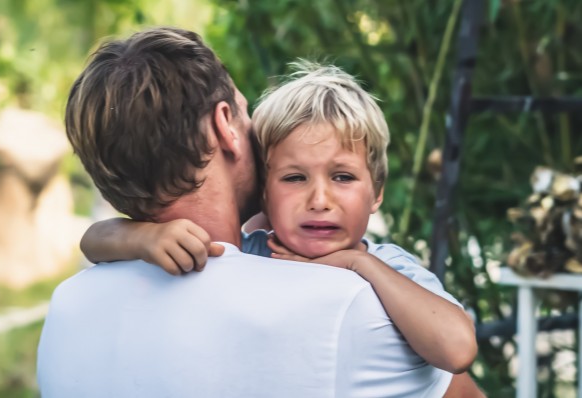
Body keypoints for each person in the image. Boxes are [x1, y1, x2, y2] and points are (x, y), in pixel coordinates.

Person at [37, 27, 483, 397]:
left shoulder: (67, 308)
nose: (319, 199)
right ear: (225, 125)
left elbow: (457, 343)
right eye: (293, 177)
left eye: (343, 177)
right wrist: (140, 237)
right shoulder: (351, 306)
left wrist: (136, 237)